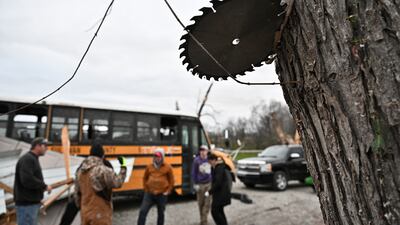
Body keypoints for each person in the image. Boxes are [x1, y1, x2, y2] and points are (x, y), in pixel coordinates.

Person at [74, 143, 127, 225]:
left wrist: (81, 207)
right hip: (100, 214)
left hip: (85, 214)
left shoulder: (80, 171)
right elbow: (118, 182)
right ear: (102, 156)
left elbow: (77, 194)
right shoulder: (102, 170)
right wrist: (123, 166)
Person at [14, 137, 52, 225]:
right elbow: (27, 179)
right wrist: (44, 186)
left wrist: (37, 198)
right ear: (37, 146)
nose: (47, 148)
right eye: (45, 146)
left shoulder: (32, 158)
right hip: (27, 205)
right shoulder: (28, 159)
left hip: (30, 203)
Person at [137, 149, 174, 225]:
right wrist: (146, 188)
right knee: (143, 211)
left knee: (161, 213)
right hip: (149, 194)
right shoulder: (149, 167)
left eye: (159, 156)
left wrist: (168, 191)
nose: (157, 158)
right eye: (155, 156)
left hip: (162, 194)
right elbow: (145, 178)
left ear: (162, 157)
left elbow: (172, 180)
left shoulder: (168, 167)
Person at [207, 152, 232, 225]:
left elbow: (218, 182)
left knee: (214, 211)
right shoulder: (215, 168)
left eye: (210, 161)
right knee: (220, 211)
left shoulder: (219, 168)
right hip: (219, 194)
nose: (210, 163)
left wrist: (209, 192)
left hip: (221, 194)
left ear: (214, 160)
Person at [191, 145, 212, 225]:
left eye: (204, 150)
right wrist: (195, 183)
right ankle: (202, 219)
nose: (203, 152)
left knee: (207, 204)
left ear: (207, 151)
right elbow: (194, 173)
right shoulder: (196, 161)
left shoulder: (210, 159)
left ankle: (204, 222)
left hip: (208, 184)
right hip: (200, 185)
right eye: (201, 150)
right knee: (201, 204)